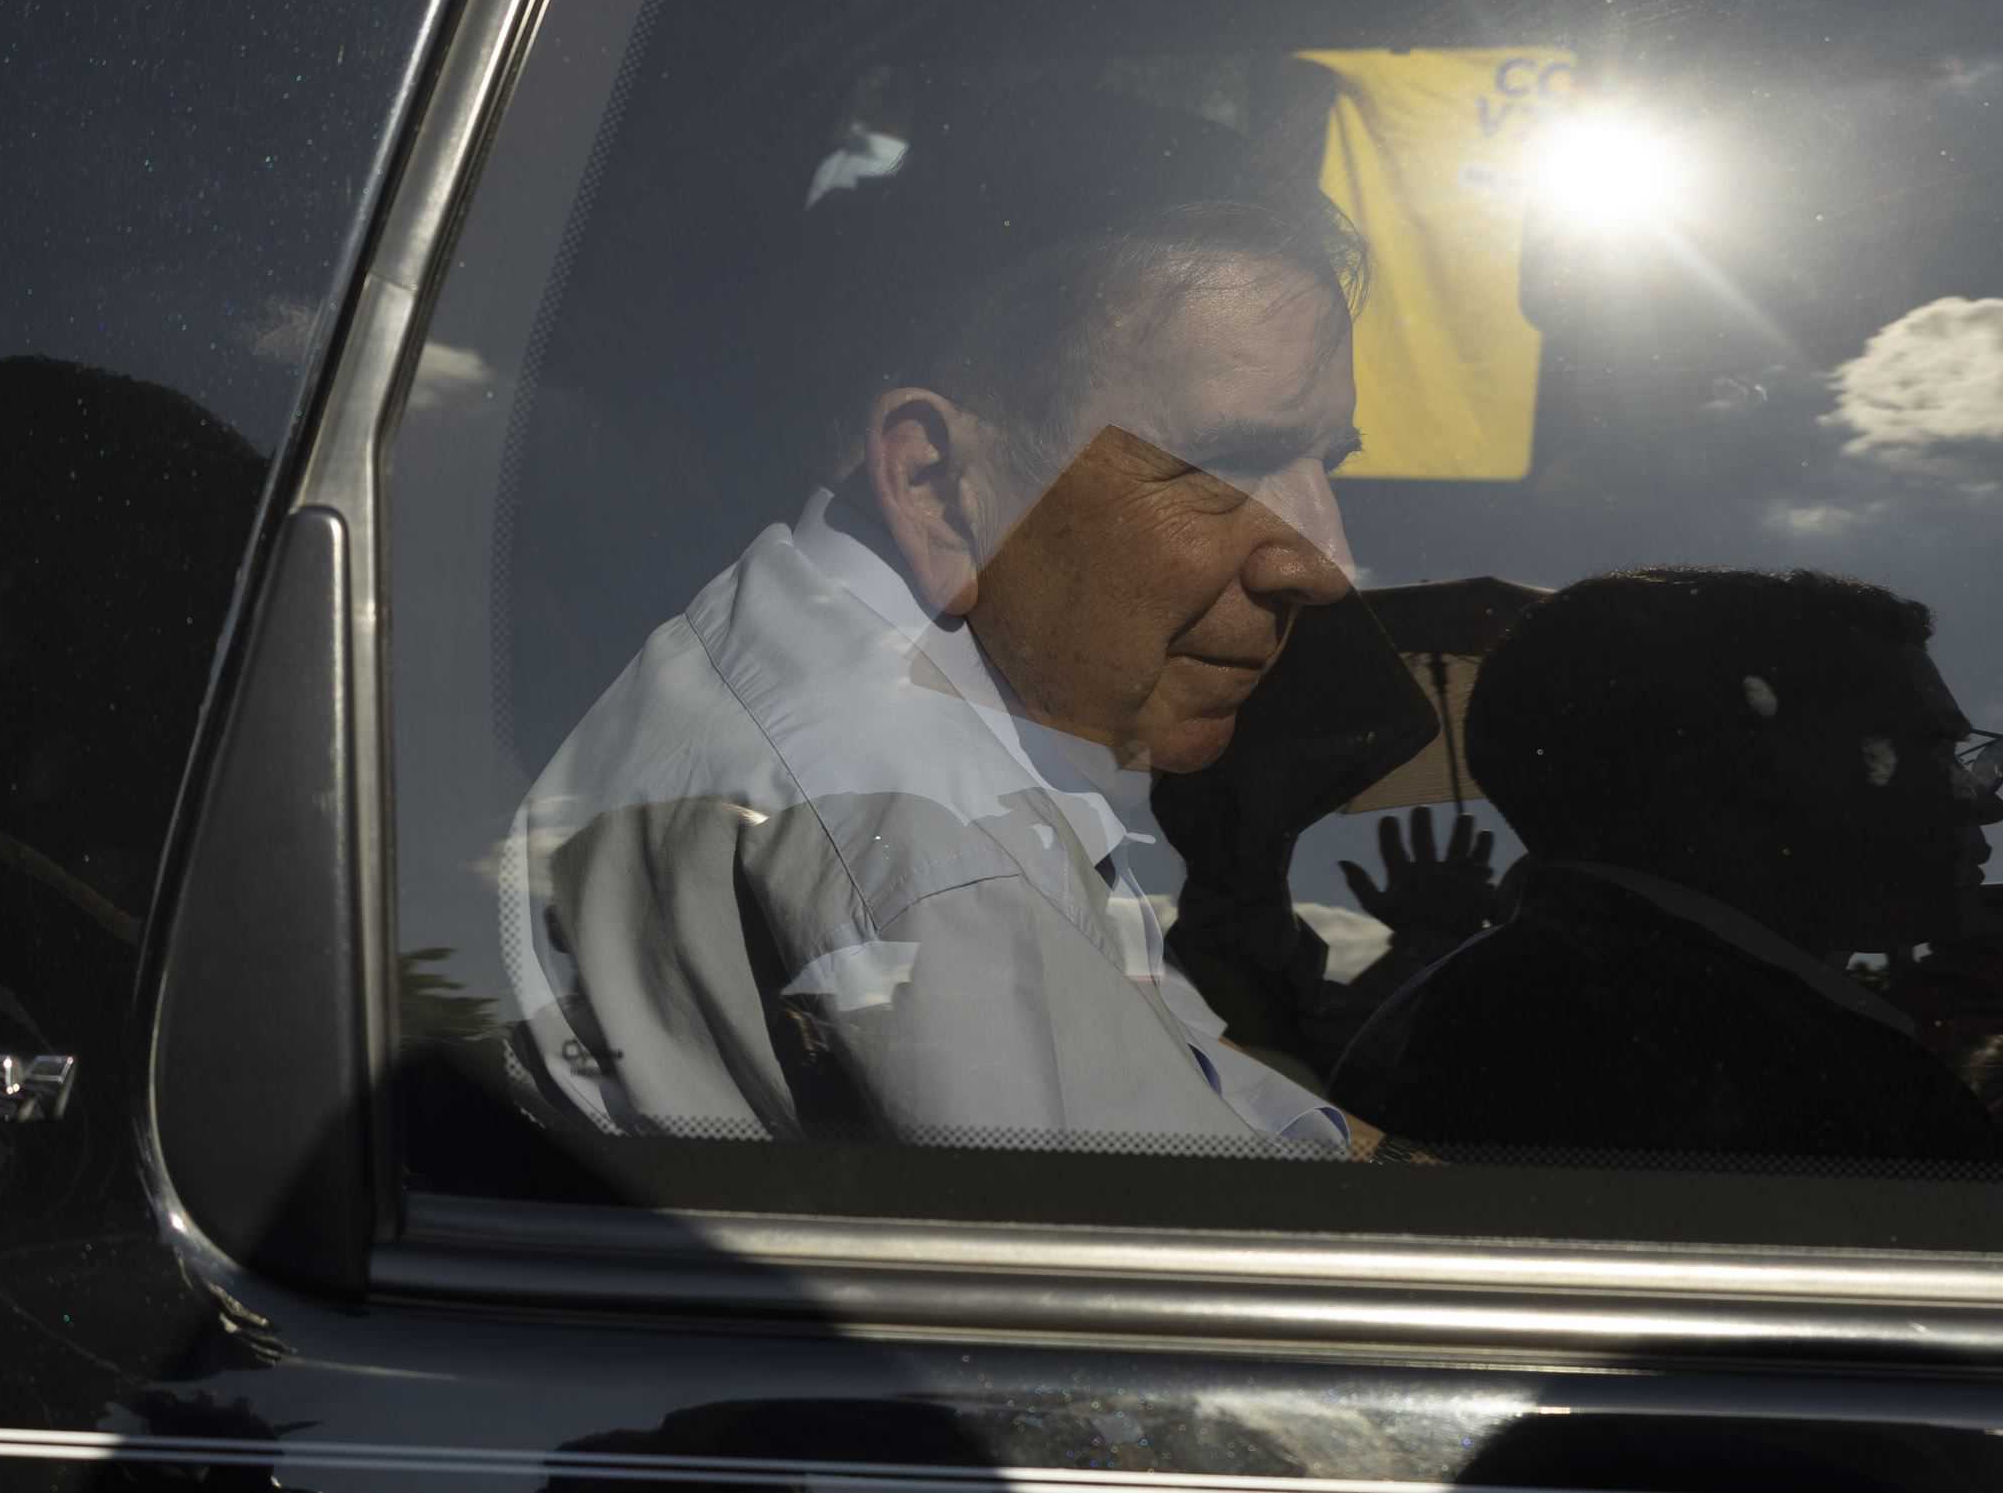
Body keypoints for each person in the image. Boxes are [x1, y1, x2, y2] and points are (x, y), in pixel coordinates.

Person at [502, 99, 1382, 1152]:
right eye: (1228, 461)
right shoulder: (932, 843)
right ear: (930, 480)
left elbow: (1180, 1078)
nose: (1324, 562)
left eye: (1326, 463)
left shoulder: (826, 651)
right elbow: (1184, 1291)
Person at [1331, 566, 2003, 1168]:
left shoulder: (1549, 999)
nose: (1983, 798)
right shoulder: (1706, 1047)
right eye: (1930, 749)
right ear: (1723, 765)